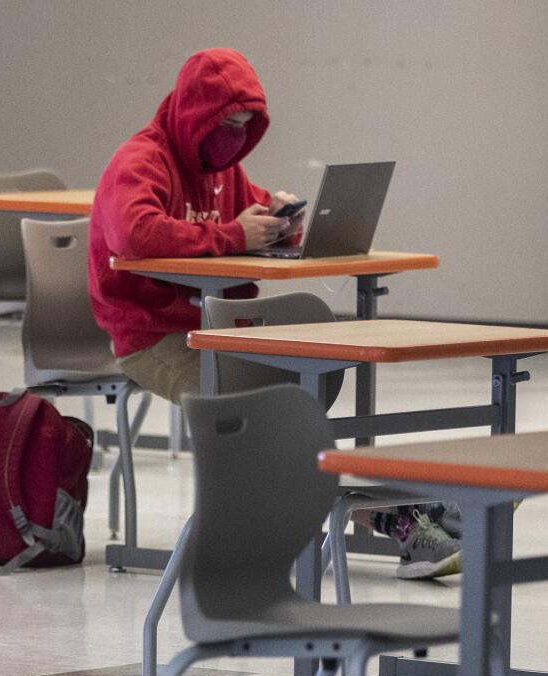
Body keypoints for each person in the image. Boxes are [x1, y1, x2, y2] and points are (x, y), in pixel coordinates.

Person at [87, 48, 461, 580]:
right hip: (153, 337)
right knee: (269, 415)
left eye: (245, 125)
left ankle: (411, 511)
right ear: (196, 117)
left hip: (221, 330)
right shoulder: (140, 161)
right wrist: (234, 235)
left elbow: (251, 211)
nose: (235, 136)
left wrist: (279, 221)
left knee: (299, 400)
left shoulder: (225, 169)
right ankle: (404, 519)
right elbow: (135, 233)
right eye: (226, 124)